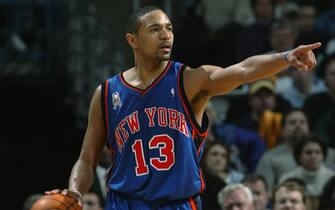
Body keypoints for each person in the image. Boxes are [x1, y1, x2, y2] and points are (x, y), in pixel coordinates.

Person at [46, 5, 321, 210]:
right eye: (155, 29)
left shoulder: (189, 80)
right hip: (125, 203)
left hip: (177, 202)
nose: (166, 35)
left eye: (169, 28)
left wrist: (285, 57)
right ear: (133, 40)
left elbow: (244, 70)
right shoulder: (106, 93)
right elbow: (86, 159)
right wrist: (75, 191)